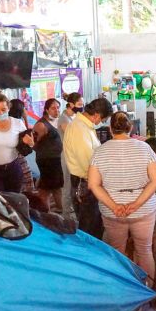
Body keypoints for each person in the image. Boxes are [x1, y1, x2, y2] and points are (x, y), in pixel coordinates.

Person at [88, 112, 156, 282]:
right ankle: (147, 289)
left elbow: (93, 184)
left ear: (110, 129)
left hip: (112, 211)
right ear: (131, 127)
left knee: (117, 250)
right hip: (143, 209)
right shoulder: (145, 148)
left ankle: (123, 289)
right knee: (144, 250)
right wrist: (136, 204)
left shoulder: (100, 152)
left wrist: (114, 206)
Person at [64, 97, 113, 239]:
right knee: (89, 231)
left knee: (95, 226)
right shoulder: (79, 129)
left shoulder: (85, 127)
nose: (101, 123)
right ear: (97, 115)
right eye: (102, 120)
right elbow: (88, 163)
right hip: (85, 185)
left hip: (89, 182)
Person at [31, 99, 64, 210]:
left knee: (56, 187)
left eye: (58, 107)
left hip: (56, 159)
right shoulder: (41, 125)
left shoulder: (56, 121)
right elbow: (33, 145)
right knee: (47, 189)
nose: (57, 110)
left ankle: (59, 210)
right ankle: (45, 211)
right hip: (47, 160)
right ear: (46, 109)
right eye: (53, 108)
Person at [8, 100, 36, 193]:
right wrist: (26, 118)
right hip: (18, 159)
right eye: (24, 108)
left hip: (7, 160)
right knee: (27, 187)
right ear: (21, 110)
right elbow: (27, 147)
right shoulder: (19, 123)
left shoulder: (5, 121)